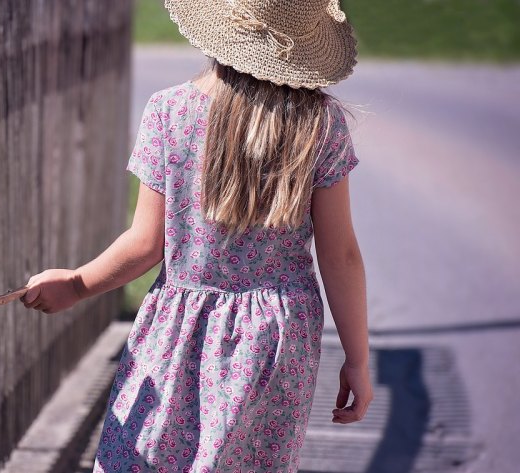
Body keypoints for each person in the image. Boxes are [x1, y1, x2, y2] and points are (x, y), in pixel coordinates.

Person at [21, 0, 372, 471]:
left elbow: (146, 243)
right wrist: (357, 359)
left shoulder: (170, 111)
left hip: (179, 328)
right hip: (276, 337)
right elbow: (341, 255)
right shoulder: (321, 125)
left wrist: (77, 284)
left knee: (145, 457)